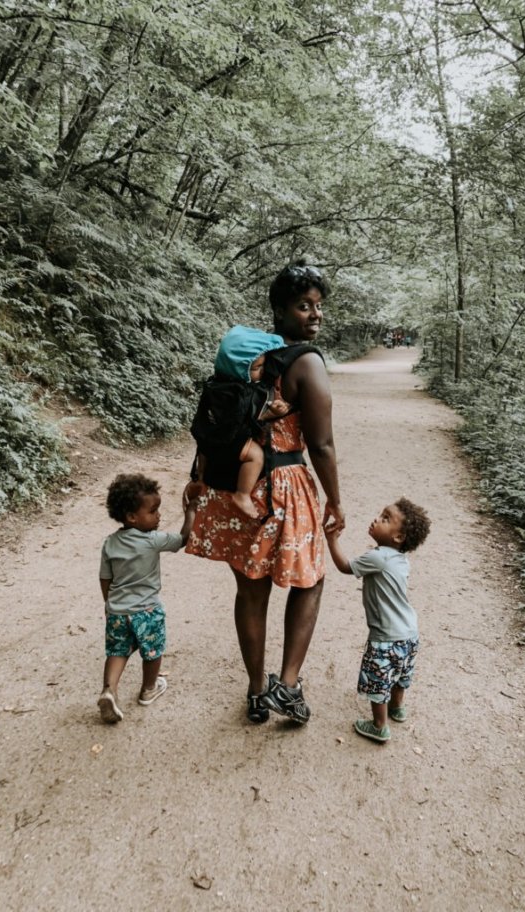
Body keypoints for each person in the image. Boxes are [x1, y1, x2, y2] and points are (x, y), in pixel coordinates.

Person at [185, 261, 345, 725]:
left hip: (237, 485)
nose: (315, 315)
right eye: (304, 306)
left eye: (318, 306)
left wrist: (197, 476)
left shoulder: (243, 356)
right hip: (284, 488)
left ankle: (257, 691)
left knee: (250, 591)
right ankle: (288, 686)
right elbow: (321, 443)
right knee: (310, 580)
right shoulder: (305, 362)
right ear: (279, 309)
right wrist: (334, 499)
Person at [324, 497, 431, 743]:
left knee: (378, 680)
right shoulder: (401, 559)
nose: (377, 519)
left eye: (385, 518)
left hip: (385, 637)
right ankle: (397, 708)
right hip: (409, 632)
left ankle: (379, 725)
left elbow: (345, 566)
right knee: (402, 673)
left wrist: (331, 540)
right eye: (380, 514)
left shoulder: (379, 557)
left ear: (398, 537)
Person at [97, 473, 196, 724]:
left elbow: (105, 578)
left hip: (117, 611)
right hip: (147, 610)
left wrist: (109, 604)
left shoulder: (110, 543)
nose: (159, 516)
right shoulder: (153, 540)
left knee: (117, 652)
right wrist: (190, 513)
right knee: (152, 651)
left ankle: (109, 689)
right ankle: (149, 688)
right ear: (132, 517)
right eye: (153, 511)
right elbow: (184, 539)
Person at [205, 325, 291, 520]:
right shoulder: (238, 392)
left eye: (262, 367)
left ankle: (201, 479)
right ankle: (242, 494)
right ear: (239, 367)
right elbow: (247, 420)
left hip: (211, 440)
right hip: (228, 441)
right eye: (255, 368)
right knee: (256, 456)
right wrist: (271, 414)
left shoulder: (217, 384)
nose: (260, 373)